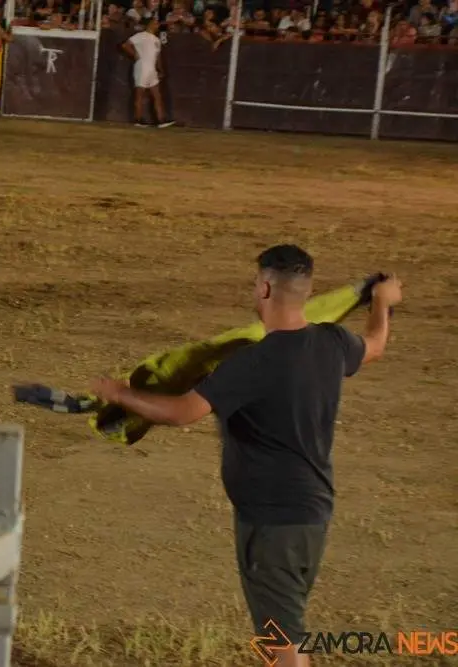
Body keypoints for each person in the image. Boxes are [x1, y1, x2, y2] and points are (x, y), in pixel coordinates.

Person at [89, 245, 403, 667]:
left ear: (266, 288)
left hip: (273, 526)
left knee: (281, 647)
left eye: (256, 284)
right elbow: (376, 345)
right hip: (309, 515)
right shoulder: (331, 344)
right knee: (284, 635)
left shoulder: (252, 362)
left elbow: (183, 412)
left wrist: (119, 393)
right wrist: (383, 304)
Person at [120, 17, 174, 128]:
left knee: (157, 95)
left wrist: (160, 69)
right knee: (140, 94)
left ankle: (161, 119)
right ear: (149, 24)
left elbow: (157, 56)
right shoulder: (140, 36)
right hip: (142, 67)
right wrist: (135, 54)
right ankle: (138, 119)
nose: (157, 25)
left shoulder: (156, 40)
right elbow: (125, 45)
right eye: (155, 23)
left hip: (151, 69)